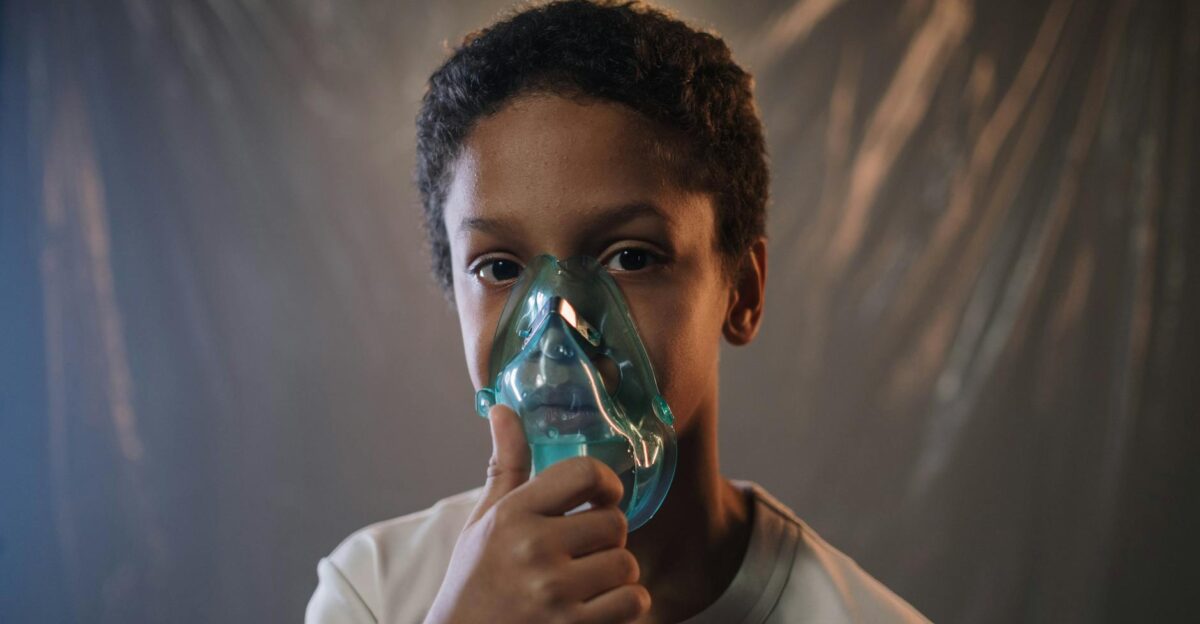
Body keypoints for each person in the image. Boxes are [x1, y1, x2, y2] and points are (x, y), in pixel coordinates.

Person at [307, 1, 929, 622]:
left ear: (741, 290)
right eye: (500, 268)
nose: (558, 330)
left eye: (629, 257)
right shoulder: (373, 594)